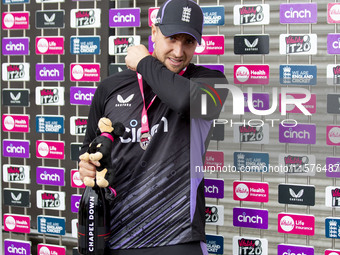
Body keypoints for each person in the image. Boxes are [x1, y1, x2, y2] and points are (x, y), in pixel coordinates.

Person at [78, 0, 228, 254]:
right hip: (118, 236)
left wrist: (144, 62)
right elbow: (88, 151)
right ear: (155, 32)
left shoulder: (209, 81)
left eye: (188, 42)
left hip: (178, 237)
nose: (179, 52)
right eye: (171, 38)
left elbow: (183, 100)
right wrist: (87, 166)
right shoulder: (110, 87)